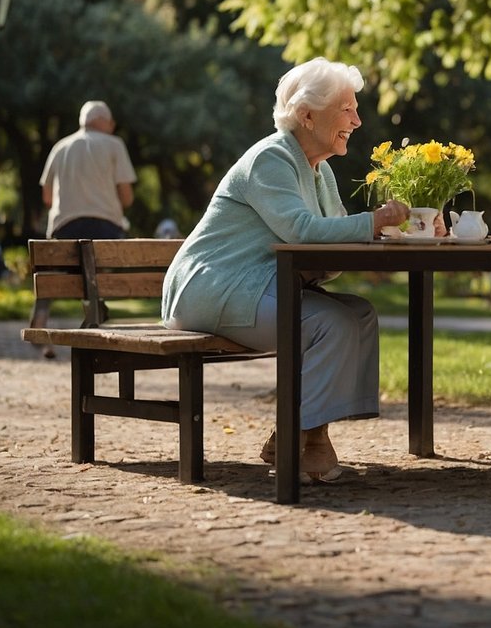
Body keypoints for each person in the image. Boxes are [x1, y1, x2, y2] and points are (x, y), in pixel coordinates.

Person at [161, 57, 418, 483]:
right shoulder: (271, 158)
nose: (356, 121)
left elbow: (332, 237)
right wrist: (373, 223)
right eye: (346, 109)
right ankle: (300, 442)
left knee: (360, 314)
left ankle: (305, 439)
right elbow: (303, 231)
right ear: (306, 115)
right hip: (212, 289)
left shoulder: (320, 171)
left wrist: (391, 231)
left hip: (260, 285)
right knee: (331, 323)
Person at [40, 100, 137, 239]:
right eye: (111, 122)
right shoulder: (114, 145)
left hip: (64, 227)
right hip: (106, 226)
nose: (113, 125)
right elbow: (127, 198)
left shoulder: (60, 148)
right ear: (103, 120)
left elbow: (47, 197)